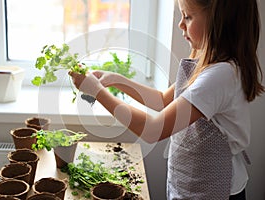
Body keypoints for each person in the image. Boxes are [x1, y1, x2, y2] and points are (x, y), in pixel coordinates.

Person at [69, 0, 264, 199]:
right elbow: (163, 100)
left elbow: (154, 130)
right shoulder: (207, 62)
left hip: (216, 190)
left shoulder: (219, 77)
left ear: (218, 21)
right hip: (192, 183)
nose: (181, 24)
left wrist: (97, 92)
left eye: (188, 16)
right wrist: (117, 80)